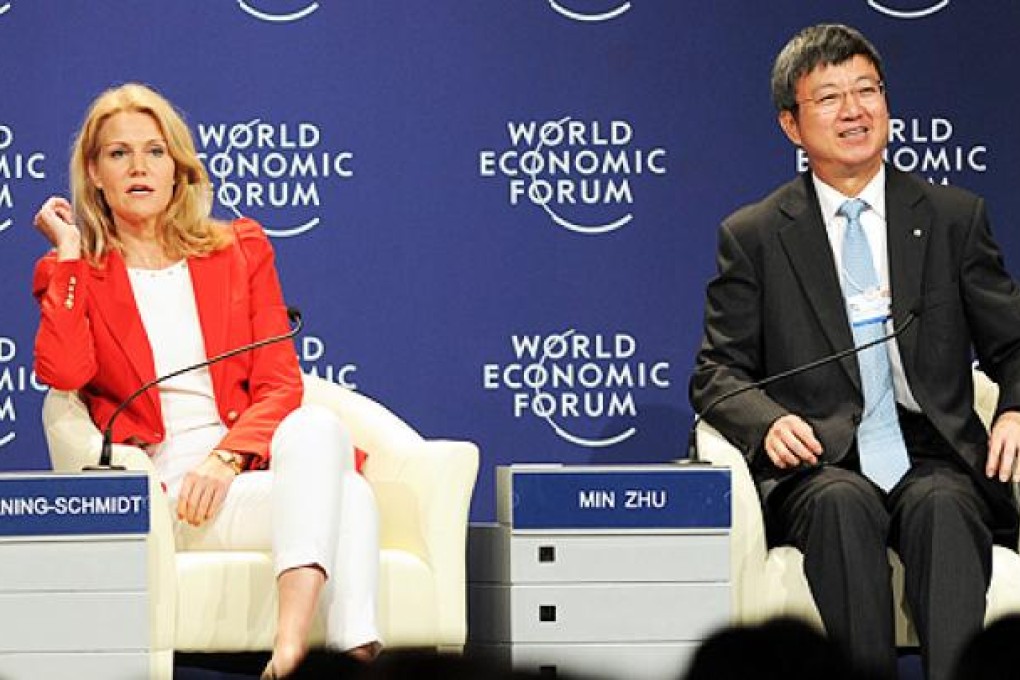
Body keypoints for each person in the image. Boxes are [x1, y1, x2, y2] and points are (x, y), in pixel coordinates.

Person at [689, 24, 1020, 680]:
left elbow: (1012, 342)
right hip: (821, 460)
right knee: (842, 504)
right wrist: (768, 421)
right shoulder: (755, 234)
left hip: (931, 452)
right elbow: (716, 371)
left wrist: (1014, 408)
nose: (854, 111)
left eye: (867, 91)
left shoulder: (953, 217)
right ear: (792, 124)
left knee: (945, 506)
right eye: (830, 97)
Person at [31, 82, 381, 679]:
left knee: (320, 428)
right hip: (170, 497)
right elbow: (63, 374)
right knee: (349, 492)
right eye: (119, 154)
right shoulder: (75, 274)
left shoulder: (238, 250)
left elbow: (279, 383)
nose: (139, 167)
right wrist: (67, 253)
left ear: (179, 170)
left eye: (155, 152)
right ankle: (354, 655)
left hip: (241, 473)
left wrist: (225, 460)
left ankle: (293, 646)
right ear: (94, 174)